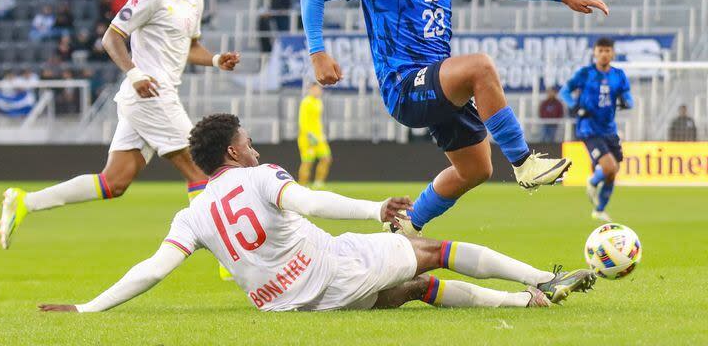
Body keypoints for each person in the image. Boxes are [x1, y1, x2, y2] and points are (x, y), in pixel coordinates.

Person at [38, 114, 596, 314]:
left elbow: (153, 270)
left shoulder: (193, 212)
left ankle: (523, 299)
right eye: (248, 142)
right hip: (330, 270)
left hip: (285, 305)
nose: (254, 149)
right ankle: (539, 285)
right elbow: (312, 202)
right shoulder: (259, 176)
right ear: (233, 152)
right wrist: (375, 207)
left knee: (409, 287)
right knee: (433, 250)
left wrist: (89, 308)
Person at [301, 0, 609, 236]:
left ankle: (406, 226)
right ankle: (524, 163)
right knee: (480, 66)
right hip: (404, 86)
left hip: (439, 84)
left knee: (476, 170)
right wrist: (318, 51)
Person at [0, 0, 241, 250]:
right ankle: (230, 255)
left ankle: (26, 202)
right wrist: (134, 73)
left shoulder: (194, 0)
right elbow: (111, 37)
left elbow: (190, 46)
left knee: (113, 183)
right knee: (200, 169)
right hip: (149, 95)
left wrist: (214, 60)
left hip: (153, 97)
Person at [560, 37, 633, 222]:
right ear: (594, 53)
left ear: (613, 53)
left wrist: (626, 102)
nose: (604, 54)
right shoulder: (585, 73)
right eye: (600, 50)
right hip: (588, 129)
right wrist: (575, 106)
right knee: (608, 166)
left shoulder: (619, 75)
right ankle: (592, 182)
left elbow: (629, 98)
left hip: (609, 129)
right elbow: (564, 92)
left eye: (607, 50)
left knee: (613, 171)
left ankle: (600, 209)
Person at [297, 83, 331, 188]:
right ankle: (302, 186)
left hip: (319, 137)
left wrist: (321, 133)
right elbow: (302, 121)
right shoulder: (306, 102)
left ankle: (318, 184)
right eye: (317, 89)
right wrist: (309, 135)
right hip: (307, 138)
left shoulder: (319, 102)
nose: (319, 91)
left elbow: (317, 121)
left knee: (326, 159)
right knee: (307, 162)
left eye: (320, 89)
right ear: (311, 90)